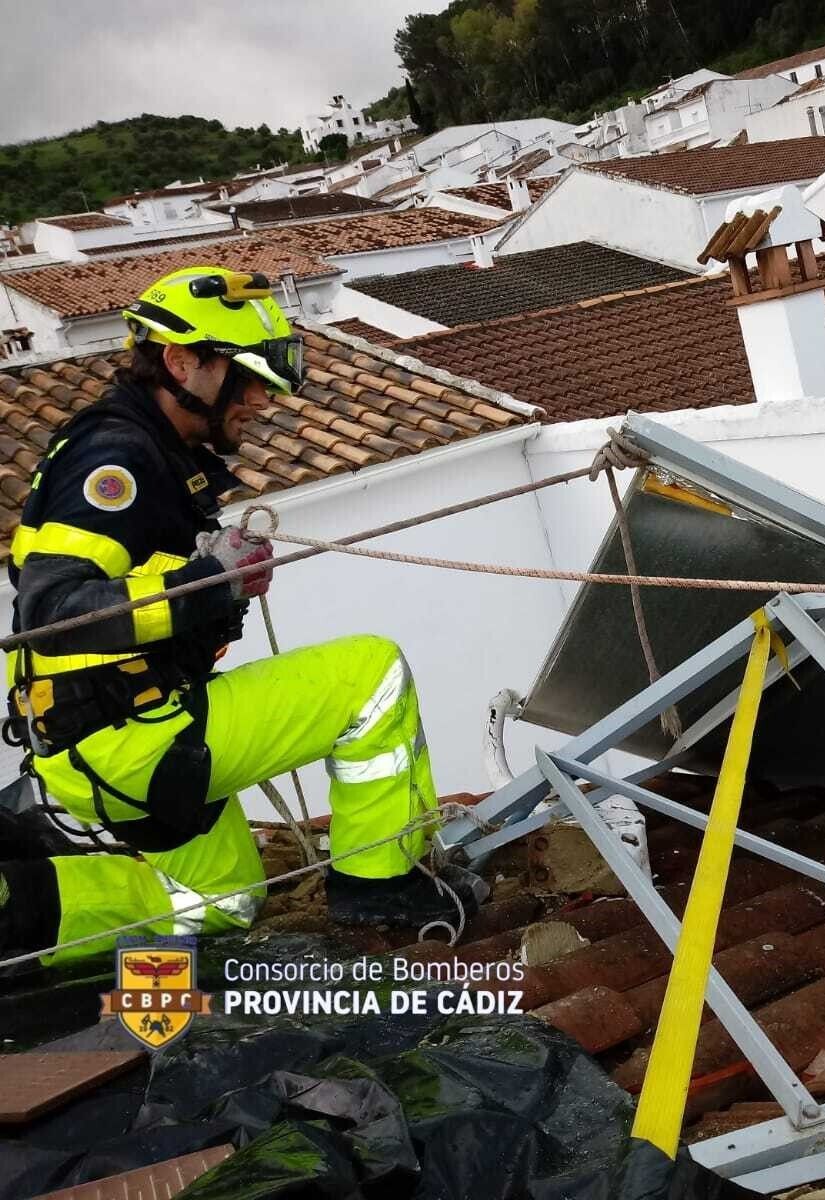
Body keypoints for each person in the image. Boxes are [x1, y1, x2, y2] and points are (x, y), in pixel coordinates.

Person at [0, 266, 483, 970]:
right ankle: (382, 884)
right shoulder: (116, 461)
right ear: (180, 361)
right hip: (130, 741)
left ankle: (18, 904)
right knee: (371, 676)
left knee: (225, 906)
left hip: (108, 741)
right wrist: (207, 582)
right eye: (246, 376)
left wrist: (206, 581)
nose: (262, 399)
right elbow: (50, 613)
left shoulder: (152, 450)